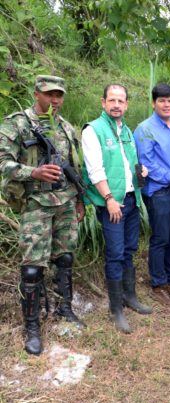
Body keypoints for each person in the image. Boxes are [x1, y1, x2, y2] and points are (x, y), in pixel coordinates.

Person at [0, 75, 85, 355]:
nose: (55, 101)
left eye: (59, 95)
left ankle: (64, 310)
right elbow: (3, 162)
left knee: (65, 257)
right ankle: (32, 327)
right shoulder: (18, 123)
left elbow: (75, 168)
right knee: (33, 267)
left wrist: (80, 201)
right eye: (49, 95)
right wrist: (32, 172)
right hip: (35, 203)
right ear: (36, 94)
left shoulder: (66, 128)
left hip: (66, 203)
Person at [82, 84, 153, 333]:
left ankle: (129, 296)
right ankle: (116, 308)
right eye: (111, 100)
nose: (116, 105)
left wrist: (140, 171)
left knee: (129, 250)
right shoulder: (94, 130)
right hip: (113, 202)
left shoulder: (127, 131)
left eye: (120, 101)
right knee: (114, 253)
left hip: (132, 199)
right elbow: (94, 170)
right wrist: (109, 198)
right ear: (103, 103)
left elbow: (129, 162)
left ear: (126, 105)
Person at [134, 83, 170, 306]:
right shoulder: (145, 130)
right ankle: (158, 283)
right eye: (162, 101)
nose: (167, 105)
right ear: (153, 103)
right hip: (159, 192)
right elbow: (146, 164)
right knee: (160, 238)